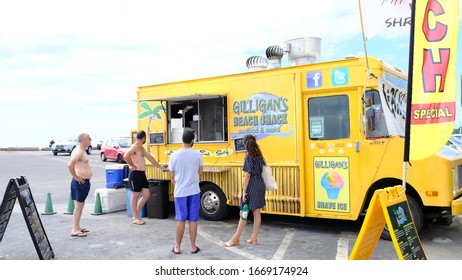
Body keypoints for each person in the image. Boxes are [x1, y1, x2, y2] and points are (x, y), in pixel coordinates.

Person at [224, 134, 266, 247]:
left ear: (245, 144)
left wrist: (244, 192)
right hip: (260, 184)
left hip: (251, 186)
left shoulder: (248, 157)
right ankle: (254, 238)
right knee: (257, 212)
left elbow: (247, 175)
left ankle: (235, 239)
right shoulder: (260, 156)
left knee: (244, 212)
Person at [168, 128, 203, 254]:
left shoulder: (174, 155)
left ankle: (177, 247)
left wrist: (177, 185)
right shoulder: (197, 154)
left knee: (181, 219)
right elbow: (200, 174)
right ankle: (193, 246)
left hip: (180, 193)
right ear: (192, 140)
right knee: (193, 220)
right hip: (194, 191)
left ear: (181, 139)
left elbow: (172, 176)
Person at [124, 130, 166, 225]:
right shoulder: (134, 147)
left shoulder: (141, 148)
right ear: (143, 138)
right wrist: (132, 165)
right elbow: (126, 156)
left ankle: (137, 215)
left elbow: (149, 157)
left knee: (146, 195)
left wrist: (159, 166)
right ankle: (135, 218)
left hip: (142, 174)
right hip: (135, 174)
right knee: (135, 196)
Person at [67, 133, 93, 237]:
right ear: (84, 140)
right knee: (78, 206)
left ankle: (77, 227)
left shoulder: (82, 150)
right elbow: (70, 165)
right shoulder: (78, 151)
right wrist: (76, 177)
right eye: (89, 138)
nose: (91, 140)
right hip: (80, 182)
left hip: (83, 182)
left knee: (80, 205)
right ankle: (75, 229)